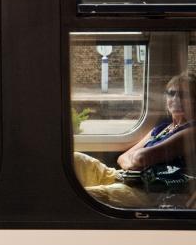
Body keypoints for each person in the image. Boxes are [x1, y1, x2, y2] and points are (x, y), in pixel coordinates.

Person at [75, 71, 196, 208]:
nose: (176, 99)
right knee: (75, 159)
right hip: (127, 177)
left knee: (82, 195)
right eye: (171, 93)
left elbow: (141, 158)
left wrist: (136, 161)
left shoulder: (191, 132)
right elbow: (122, 158)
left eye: (183, 95)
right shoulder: (163, 128)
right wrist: (135, 163)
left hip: (147, 191)